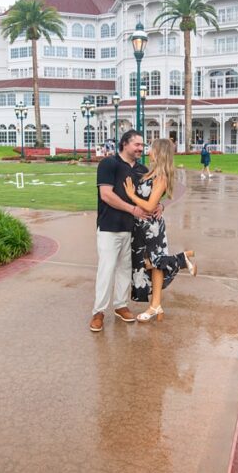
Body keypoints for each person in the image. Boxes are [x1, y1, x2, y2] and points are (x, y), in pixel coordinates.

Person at [123, 138, 197, 323]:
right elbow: (153, 203)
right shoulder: (150, 173)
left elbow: (149, 206)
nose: (148, 151)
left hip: (152, 228)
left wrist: (132, 195)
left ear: (159, 152)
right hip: (141, 226)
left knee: (155, 263)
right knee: (150, 264)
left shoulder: (161, 177)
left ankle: (156, 304)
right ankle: (180, 261)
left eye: (151, 148)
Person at [91, 130, 148, 332]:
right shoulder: (109, 164)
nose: (141, 148)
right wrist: (132, 209)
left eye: (142, 145)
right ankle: (98, 312)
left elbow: (151, 196)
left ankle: (120, 305)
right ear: (125, 144)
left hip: (132, 229)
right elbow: (106, 195)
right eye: (137, 145)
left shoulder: (142, 169)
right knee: (106, 269)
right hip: (109, 226)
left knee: (125, 268)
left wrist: (160, 206)